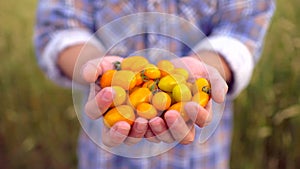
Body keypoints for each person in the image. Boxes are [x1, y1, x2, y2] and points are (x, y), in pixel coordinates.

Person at [34, 0, 275, 168]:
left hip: (200, 158)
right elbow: (60, 29)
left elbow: (242, 30)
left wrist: (207, 66)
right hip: (105, 153)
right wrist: (95, 67)